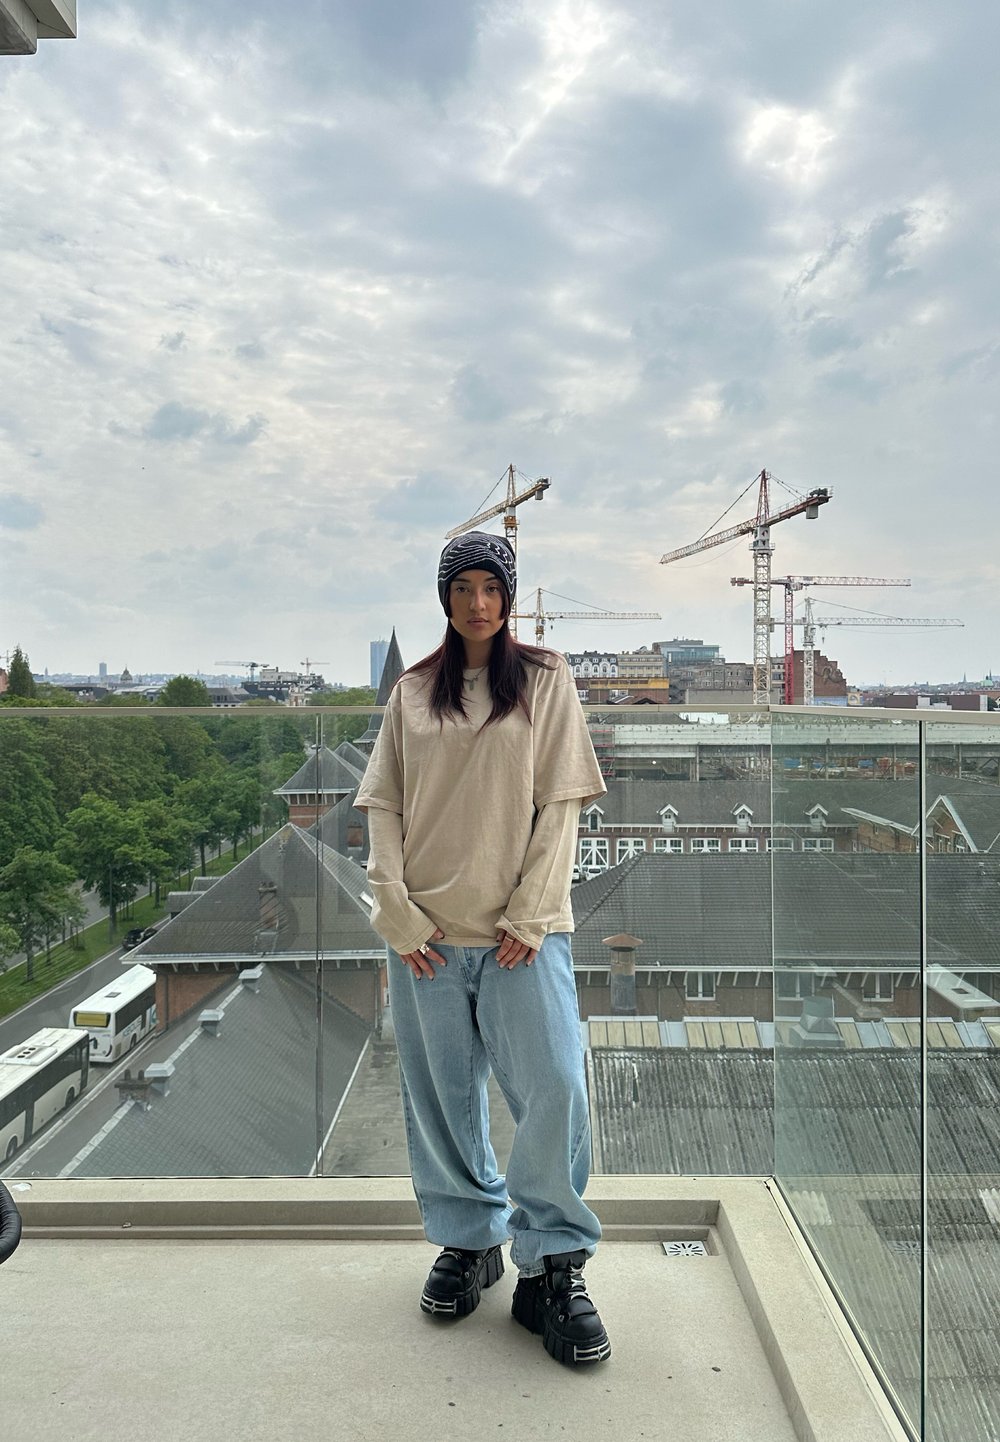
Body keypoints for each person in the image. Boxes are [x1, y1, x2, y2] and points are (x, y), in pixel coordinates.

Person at [354, 530, 611, 1368]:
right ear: (444, 598)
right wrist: (395, 913)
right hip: (425, 940)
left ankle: (554, 1264)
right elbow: (383, 808)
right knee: (440, 1097)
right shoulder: (413, 692)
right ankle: (470, 1242)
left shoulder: (545, 681)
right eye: (460, 588)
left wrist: (531, 916)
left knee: (555, 1090)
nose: (476, 602)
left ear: (509, 595)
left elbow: (562, 804)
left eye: (490, 587)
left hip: (520, 938)